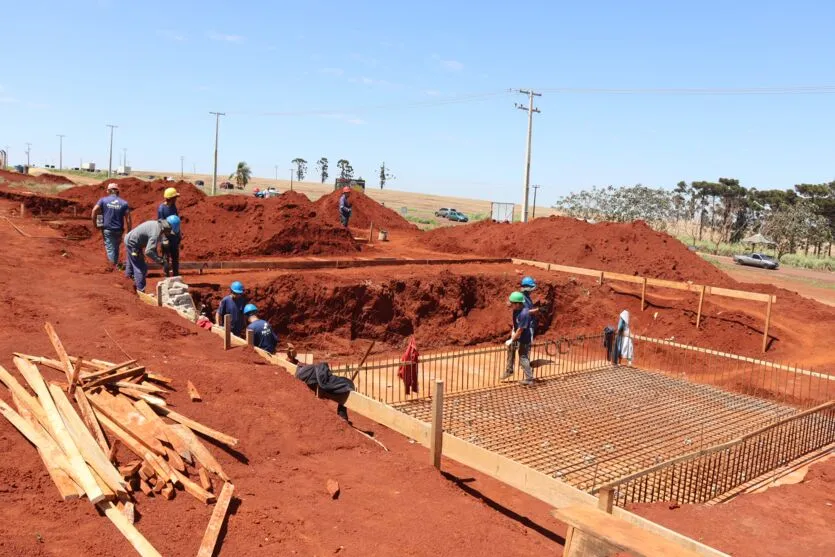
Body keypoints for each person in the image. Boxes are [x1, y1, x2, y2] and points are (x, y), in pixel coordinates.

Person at [286, 345, 354, 421]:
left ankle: (342, 415)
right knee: (342, 384)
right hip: (316, 375)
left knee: (339, 383)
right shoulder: (295, 366)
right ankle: (342, 415)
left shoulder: (299, 365)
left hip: (319, 373)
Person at [124, 215, 180, 292]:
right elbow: (148, 251)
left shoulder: (157, 225)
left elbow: (153, 247)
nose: (169, 233)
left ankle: (127, 283)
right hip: (132, 244)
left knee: (132, 263)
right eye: (170, 231)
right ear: (168, 227)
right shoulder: (155, 233)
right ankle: (141, 290)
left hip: (131, 239)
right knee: (141, 268)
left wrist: (159, 257)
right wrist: (161, 261)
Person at [91, 183, 131, 270]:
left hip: (108, 229)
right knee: (115, 248)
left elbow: (94, 210)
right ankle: (115, 265)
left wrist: (95, 223)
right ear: (118, 192)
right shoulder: (124, 203)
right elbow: (128, 219)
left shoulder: (103, 200)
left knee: (110, 249)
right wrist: (129, 231)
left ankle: (112, 268)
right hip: (119, 230)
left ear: (108, 191)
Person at [502, 291, 535, 386]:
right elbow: (516, 325)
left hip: (524, 339)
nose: (510, 304)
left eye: (512, 303)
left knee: (523, 357)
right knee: (511, 348)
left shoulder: (524, 314)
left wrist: (512, 339)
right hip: (517, 335)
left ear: (517, 304)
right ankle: (509, 370)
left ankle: (529, 379)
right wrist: (513, 331)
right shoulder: (516, 309)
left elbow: (520, 330)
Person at [157, 187, 181, 277]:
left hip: (174, 235)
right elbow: (160, 223)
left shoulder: (173, 207)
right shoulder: (161, 209)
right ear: (171, 198)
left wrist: (179, 234)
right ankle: (166, 276)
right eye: (175, 197)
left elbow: (176, 220)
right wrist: (163, 237)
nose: (176, 199)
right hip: (166, 236)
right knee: (166, 257)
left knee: (175, 257)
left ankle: (176, 275)